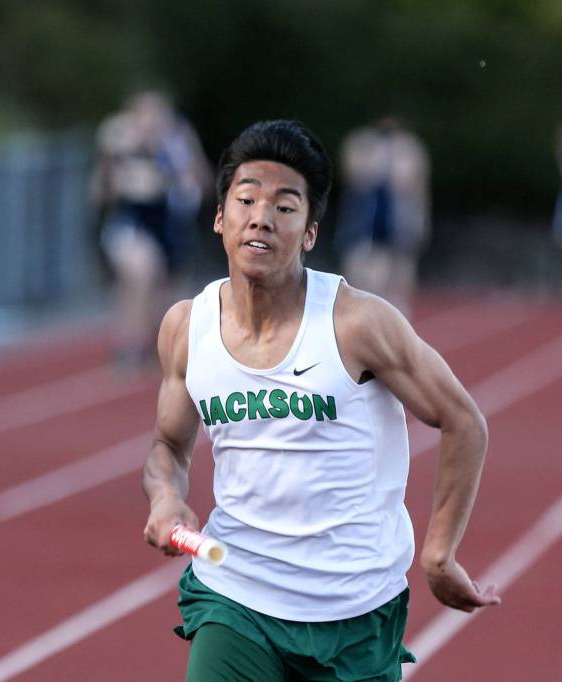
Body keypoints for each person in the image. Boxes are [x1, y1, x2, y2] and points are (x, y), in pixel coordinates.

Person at [142, 120, 498, 681]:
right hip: (236, 594)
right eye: (246, 200)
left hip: (352, 607)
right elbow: (168, 445)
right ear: (219, 217)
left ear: (309, 233)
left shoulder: (357, 323)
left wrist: (439, 553)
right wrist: (165, 496)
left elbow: (463, 422)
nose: (262, 216)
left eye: (285, 207)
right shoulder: (187, 327)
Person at [90, 90, 211, 368]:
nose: (151, 122)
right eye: (144, 115)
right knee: (141, 270)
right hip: (130, 222)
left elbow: (203, 185)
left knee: (171, 296)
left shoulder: (178, 145)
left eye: (157, 115)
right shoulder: (121, 149)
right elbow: (99, 195)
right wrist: (110, 160)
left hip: (171, 225)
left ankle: (160, 344)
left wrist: (181, 163)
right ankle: (130, 344)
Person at [335, 115, 430, 318]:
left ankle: (396, 317)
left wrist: (421, 219)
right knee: (360, 273)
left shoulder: (409, 148)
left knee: (399, 273)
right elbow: (353, 175)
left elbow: (416, 185)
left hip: (397, 223)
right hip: (365, 223)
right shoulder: (361, 144)